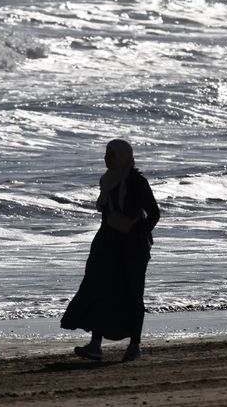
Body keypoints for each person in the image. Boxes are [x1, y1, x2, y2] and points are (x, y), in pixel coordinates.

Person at [61, 139, 160, 362]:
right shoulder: (107, 180)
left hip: (133, 248)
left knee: (133, 294)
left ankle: (134, 346)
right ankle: (95, 345)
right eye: (106, 154)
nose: (107, 158)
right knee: (101, 289)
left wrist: (136, 234)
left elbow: (154, 214)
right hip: (107, 243)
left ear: (123, 157)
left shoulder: (136, 181)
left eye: (111, 155)